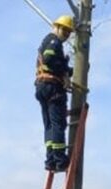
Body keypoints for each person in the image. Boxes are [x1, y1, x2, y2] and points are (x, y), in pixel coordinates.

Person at [35, 15, 74, 172]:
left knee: (49, 126)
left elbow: (50, 62)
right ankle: (59, 160)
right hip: (52, 87)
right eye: (63, 30)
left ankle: (50, 160)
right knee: (58, 124)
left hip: (42, 86)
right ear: (55, 27)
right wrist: (65, 71)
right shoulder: (53, 41)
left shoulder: (46, 42)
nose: (65, 35)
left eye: (68, 32)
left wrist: (67, 71)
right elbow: (49, 58)